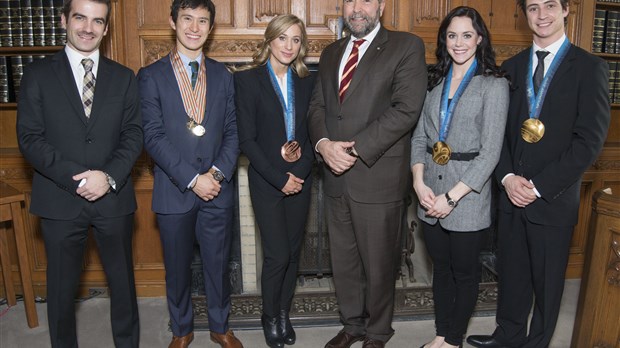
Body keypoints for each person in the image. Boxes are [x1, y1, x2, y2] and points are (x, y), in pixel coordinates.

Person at [466, 1, 610, 347]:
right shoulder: (510, 68)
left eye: (549, 6)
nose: (541, 15)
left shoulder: (589, 68)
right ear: (524, 15)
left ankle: (537, 342)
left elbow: (589, 141)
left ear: (565, 11)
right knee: (512, 277)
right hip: (511, 194)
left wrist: (540, 186)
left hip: (553, 198)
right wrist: (507, 178)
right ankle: (508, 336)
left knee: (547, 284)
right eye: (533, 7)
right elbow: (494, 133)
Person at [15, 0, 142, 346]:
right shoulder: (37, 74)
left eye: (97, 20)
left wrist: (108, 176)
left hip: (113, 197)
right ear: (64, 20)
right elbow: (29, 137)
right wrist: (81, 177)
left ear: (106, 27)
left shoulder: (124, 77)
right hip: (59, 199)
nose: (88, 28)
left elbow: (134, 133)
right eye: (80, 18)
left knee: (124, 287)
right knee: (60, 292)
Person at [307, 0, 427, 346]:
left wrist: (355, 148)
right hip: (335, 176)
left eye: (367, 0)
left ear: (382, 6)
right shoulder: (331, 53)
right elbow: (317, 106)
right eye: (350, 1)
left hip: (377, 176)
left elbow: (406, 109)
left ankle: (377, 332)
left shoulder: (406, 46)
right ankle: (353, 325)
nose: (357, 8)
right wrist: (324, 144)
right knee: (343, 262)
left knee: (379, 265)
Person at [137, 0, 242, 347]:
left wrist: (216, 173)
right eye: (187, 19)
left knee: (218, 266)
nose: (194, 28)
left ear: (210, 28)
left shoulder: (224, 77)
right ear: (173, 22)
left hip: (217, 189)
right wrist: (193, 179)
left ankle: (219, 328)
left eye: (202, 21)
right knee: (177, 270)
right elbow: (152, 136)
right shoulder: (150, 76)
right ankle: (181, 331)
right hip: (175, 190)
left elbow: (232, 131)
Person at [410, 6, 509, 348]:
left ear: (479, 39)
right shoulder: (434, 83)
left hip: (466, 197)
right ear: (444, 41)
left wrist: (451, 197)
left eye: (467, 35)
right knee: (441, 271)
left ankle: (453, 340)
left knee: (465, 275)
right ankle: (440, 334)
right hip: (429, 193)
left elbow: (491, 153)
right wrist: (418, 182)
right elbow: (421, 138)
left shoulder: (493, 86)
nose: (459, 42)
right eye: (452, 35)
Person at [233, 14, 315, 348]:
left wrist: (301, 171)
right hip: (267, 180)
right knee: (277, 254)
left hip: (302, 178)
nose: (289, 46)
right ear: (270, 40)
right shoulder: (247, 81)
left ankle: (284, 313)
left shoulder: (309, 82)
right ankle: (269, 315)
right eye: (283, 38)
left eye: (296, 40)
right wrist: (281, 179)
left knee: (294, 254)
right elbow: (247, 141)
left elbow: (313, 135)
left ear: (301, 46)